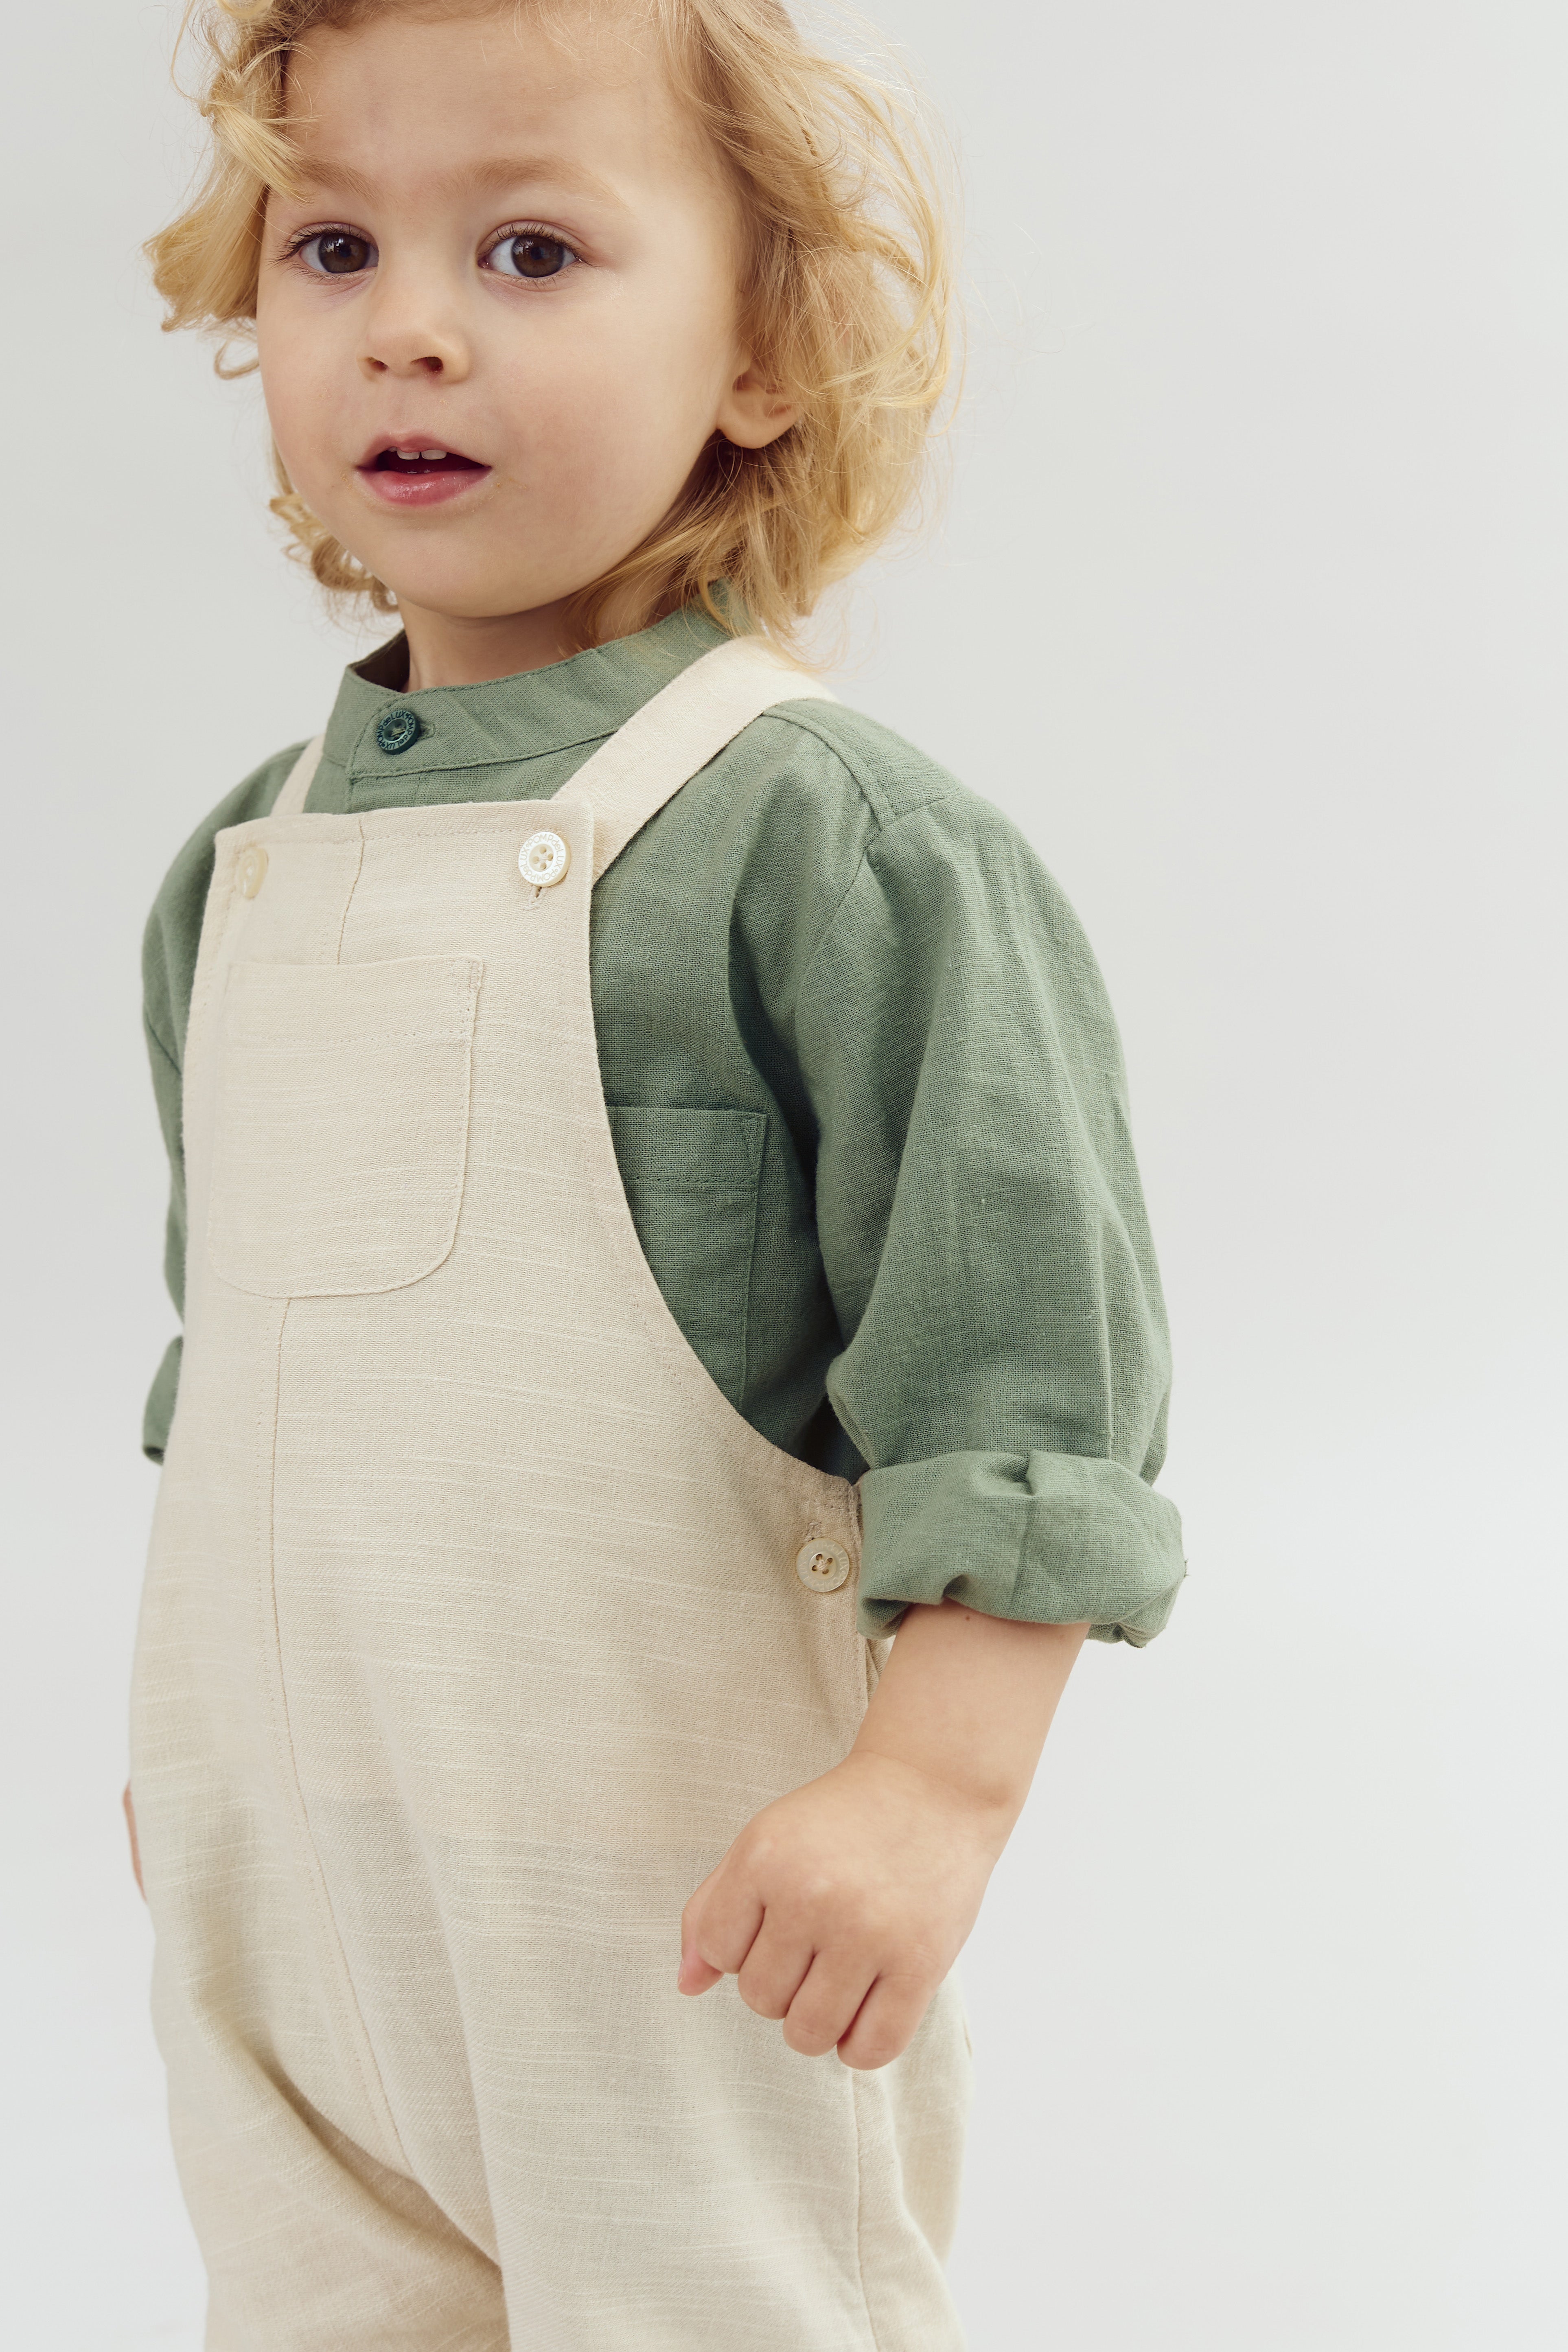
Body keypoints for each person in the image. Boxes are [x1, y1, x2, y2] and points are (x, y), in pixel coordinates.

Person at [126, 1, 1185, 2343]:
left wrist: (931, 1785)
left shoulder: (836, 848)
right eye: (330, 245)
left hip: (662, 1911)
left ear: (764, 354)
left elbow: (1024, 1388)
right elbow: (242, 1392)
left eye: (526, 248)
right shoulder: (240, 877)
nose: (407, 322)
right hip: (298, 1925)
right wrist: (195, 1766)